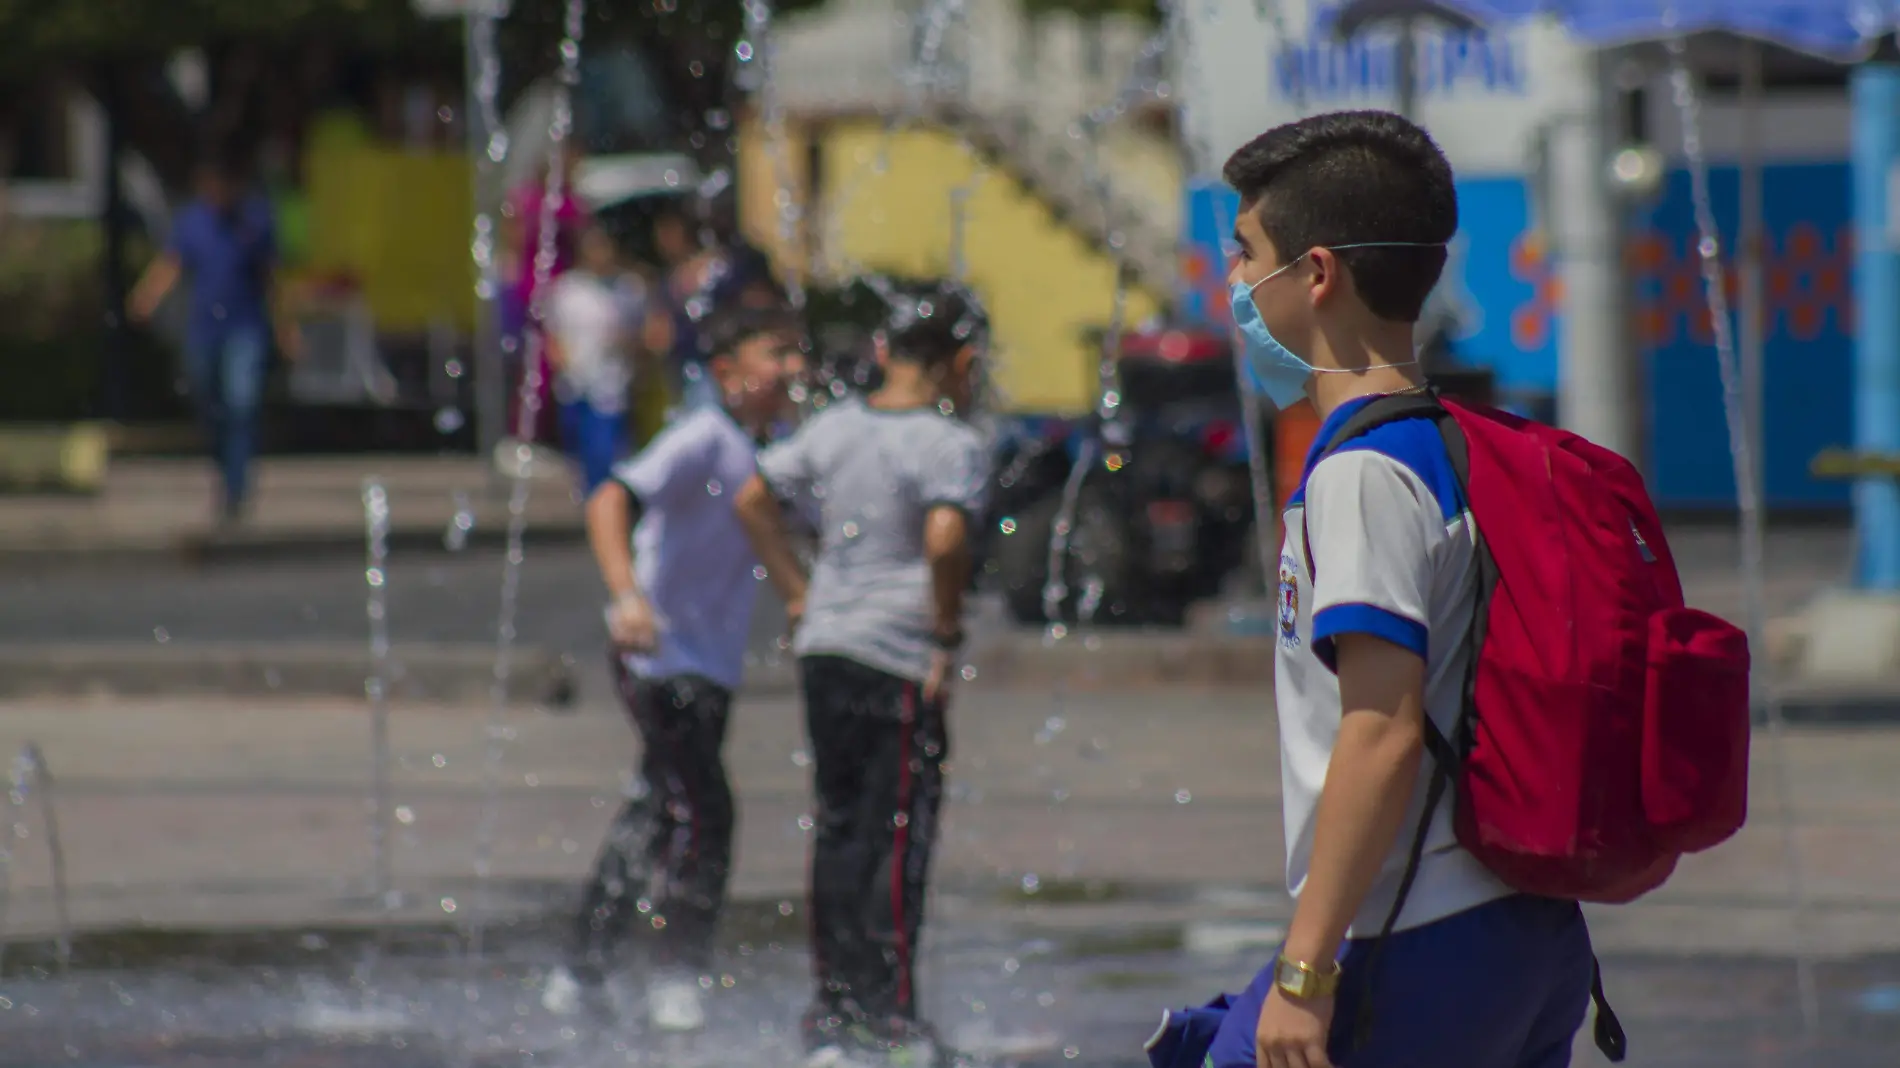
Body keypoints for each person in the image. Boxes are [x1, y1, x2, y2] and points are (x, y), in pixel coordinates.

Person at [1203, 110, 1593, 1068]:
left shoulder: (1363, 475)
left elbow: (1381, 731)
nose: (1234, 283)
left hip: (1412, 934)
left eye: (1247, 253)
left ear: (1319, 273)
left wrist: (1304, 973)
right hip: (1526, 930)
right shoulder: (1460, 443)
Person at [734, 284, 990, 1068]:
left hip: (828, 649)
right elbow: (946, 540)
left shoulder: (835, 426)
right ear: (961, 363)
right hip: (897, 657)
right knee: (899, 834)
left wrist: (798, 592)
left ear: (884, 354)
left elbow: (751, 497)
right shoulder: (950, 444)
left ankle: (835, 1010)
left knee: (841, 826)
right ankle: (891, 1021)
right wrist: (943, 628)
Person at [542, 304, 806, 1031]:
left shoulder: (771, 445)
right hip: (659, 655)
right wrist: (627, 596)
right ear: (727, 373)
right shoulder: (700, 436)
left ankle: (582, 969)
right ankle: (676, 977)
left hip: (707, 664)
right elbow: (608, 500)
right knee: (706, 812)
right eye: (775, 354)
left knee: (656, 810)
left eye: (796, 356)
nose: (792, 370)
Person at [129, 153, 300, 526]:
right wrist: (147, 296)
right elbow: (172, 263)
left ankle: (236, 488)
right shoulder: (193, 222)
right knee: (211, 404)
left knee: (241, 404)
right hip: (205, 330)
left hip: (246, 328)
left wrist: (286, 327)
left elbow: (272, 278)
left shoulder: (254, 221)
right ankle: (224, 470)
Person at [547, 226, 638, 495]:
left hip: (611, 382)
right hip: (576, 382)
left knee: (605, 448)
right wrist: (562, 364)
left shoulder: (627, 288)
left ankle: (604, 499)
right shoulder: (567, 289)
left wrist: (627, 340)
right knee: (580, 448)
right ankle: (590, 497)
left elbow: (642, 333)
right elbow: (554, 334)